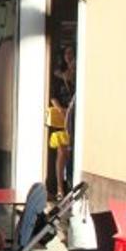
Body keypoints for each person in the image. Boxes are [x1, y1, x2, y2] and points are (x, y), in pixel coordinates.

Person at [49, 45, 75, 199]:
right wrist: (61, 110)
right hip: (62, 118)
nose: (69, 56)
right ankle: (60, 188)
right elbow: (53, 96)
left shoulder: (78, 74)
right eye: (67, 53)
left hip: (75, 117)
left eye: (72, 53)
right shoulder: (58, 75)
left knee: (71, 153)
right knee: (62, 151)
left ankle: (70, 186)